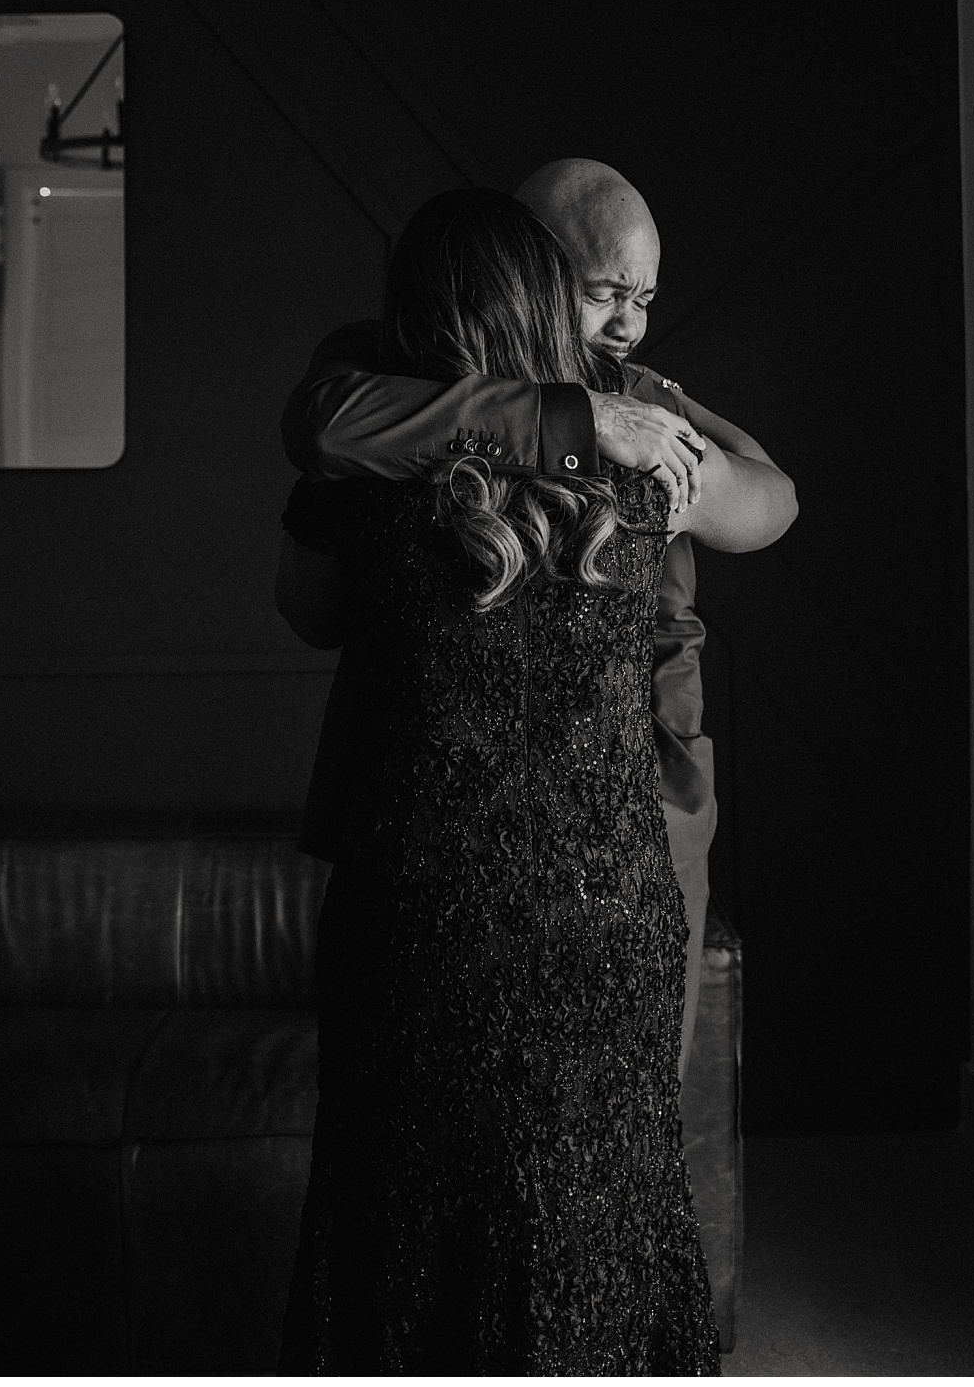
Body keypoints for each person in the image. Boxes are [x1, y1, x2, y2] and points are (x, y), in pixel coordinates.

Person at [277, 189, 727, 1373]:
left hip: (426, 918)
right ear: (553, 310)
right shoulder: (639, 469)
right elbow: (768, 500)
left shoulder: (368, 474)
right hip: (607, 916)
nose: (627, 319)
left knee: (407, 1239)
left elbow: (303, 607)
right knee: (603, 1232)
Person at [278, 159, 797, 1082]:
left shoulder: (640, 401)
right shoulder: (387, 369)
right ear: (530, 267)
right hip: (432, 807)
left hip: (639, 779)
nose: (631, 322)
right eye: (606, 292)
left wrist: (682, 488)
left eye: (644, 296)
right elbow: (324, 427)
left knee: (628, 1096)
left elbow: (772, 492)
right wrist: (568, 417)